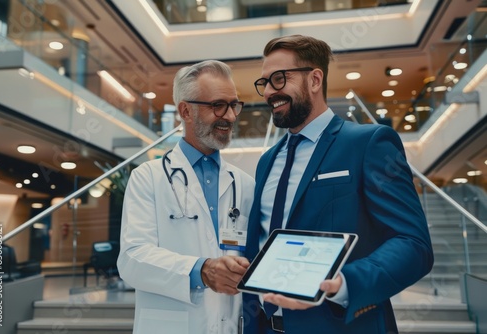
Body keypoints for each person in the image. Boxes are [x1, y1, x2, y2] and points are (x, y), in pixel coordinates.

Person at [242, 35, 434, 333]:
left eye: (279, 79)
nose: (268, 92)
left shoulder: (369, 143)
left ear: (315, 79)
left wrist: (344, 283)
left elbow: (413, 244)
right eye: (264, 82)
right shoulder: (267, 160)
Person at [117, 59, 254, 334]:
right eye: (218, 105)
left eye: (234, 105)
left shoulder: (244, 184)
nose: (229, 116)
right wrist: (202, 270)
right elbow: (132, 259)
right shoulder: (148, 177)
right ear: (186, 111)